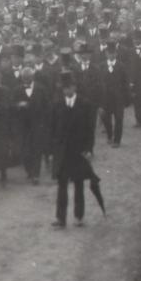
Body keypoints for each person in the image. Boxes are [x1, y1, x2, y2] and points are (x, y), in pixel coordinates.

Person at [50, 72, 95, 228]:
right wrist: (52, 151)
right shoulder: (57, 104)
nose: (66, 91)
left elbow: (90, 130)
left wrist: (89, 149)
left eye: (68, 88)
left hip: (78, 150)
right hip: (62, 151)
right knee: (61, 185)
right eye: (64, 88)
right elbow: (53, 128)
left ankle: (78, 216)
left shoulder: (85, 104)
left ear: (74, 87)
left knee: (78, 184)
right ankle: (60, 218)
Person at [12, 67, 49, 185]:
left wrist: (44, 122)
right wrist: (18, 105)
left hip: (38, 123)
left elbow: (47, 106)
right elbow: (11, 106)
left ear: (33, 77)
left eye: (28, 78)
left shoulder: (41, 89)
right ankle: (29, 170)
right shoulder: (17, 90)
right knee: (25, 150)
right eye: (24, 78)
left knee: (37, 149)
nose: (26, 80)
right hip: (23, 125)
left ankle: (36, 175)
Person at [99, 42, 130, 148]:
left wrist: (126, 99)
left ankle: (117, 140)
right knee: (105, 117)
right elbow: (99, 82)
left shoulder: (121, 66)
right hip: (105, 97)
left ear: (116, 54)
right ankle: (109, 134)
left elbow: (126, 83)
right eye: (109, 53)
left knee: (119, 118)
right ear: (106, 54)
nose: (111, 55)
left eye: (113, 53)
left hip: (118, 97)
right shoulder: (102, 66)